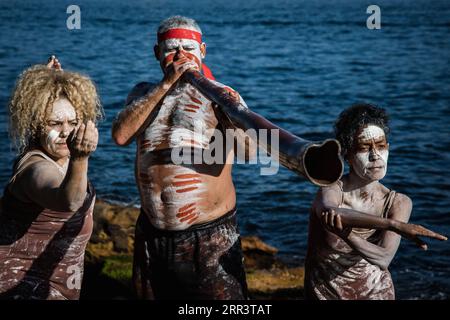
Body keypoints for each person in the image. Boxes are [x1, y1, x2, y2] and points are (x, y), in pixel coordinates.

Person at [112, 16, 255, 299]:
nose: (180, 56)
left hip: (209, 234)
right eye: (171, 49)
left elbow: (248, 154)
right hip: (152, 231)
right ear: (157, 53)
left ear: (202, 51)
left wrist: (231, 116)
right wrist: (166, 84)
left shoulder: (222, 95)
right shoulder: (142, 93)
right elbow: (120, 136)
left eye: (188, 48)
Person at [304, 103, 443, 299]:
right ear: (347, 155)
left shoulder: (398, 202)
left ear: (389, 148)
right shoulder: (332, 189)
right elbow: (331, 211)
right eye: (364, 148)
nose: (375, 155)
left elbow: (383, 258)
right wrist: (394, 225)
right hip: (325, 292)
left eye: (381, 146)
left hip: (376, 292)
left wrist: (347, 236)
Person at [0, 56, 102, 299]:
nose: (66, 132)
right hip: (21, 289)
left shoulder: (60, 157)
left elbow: (50, 110)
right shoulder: (35, 169)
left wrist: (53, 85)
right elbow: (68, 201)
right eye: (55, 123)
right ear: (36, 125)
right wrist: (81, 157)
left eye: (73, 122)